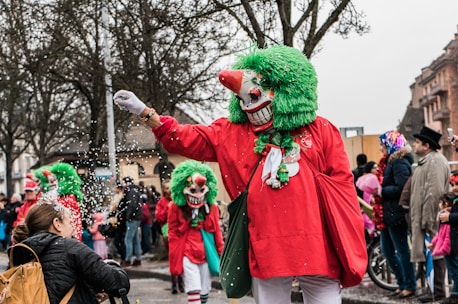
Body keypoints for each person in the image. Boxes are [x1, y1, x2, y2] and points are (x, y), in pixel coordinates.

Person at [114, 44, 367, 303]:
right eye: (243, 99)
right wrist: (146, 114)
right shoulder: (232, 132)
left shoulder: (320, 130)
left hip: (316, 246)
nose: (250, 105)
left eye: (255, 95)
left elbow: (341, 191)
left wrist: (347, 242)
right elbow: (189, 138)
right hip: (266, 246)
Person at [11, 201, 130, 303]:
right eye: (69, 222)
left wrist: (89, 291)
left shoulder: (23, 252)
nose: (72, 228)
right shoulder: (69, 247)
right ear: (57, 223)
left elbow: (54, 289)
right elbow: (118, 284)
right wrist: (112, 266)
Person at [168, 160, 225, 304]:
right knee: (194, 288)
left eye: (201, 190)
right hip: (187, 252)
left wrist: (221, 252)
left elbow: (217, 231)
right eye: (193, 190)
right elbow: (173, 232)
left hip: (205, 253)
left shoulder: (211, 208)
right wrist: (175, 255)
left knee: (205, 289)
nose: (198, 194)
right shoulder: (175, 208)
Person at [410, 126, 451, 303]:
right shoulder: (428, 161)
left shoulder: (435, 162)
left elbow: (433, 193)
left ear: (426, 146)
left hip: (432, 218)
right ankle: (432, 290)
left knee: (437, 252)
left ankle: (439, 291)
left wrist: (427, 219)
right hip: (426, 217)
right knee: (430, 253)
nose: (414, 145)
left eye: (417, 143)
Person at [376, 130, 416, 298]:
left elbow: (403, 188)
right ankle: (401, 283)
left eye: (382, 145)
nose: (380, 148)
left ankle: (409, 285)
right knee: (387, 250)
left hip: (396, 213)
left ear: (392, 145)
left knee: (402, 250)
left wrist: (381, 191)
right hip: (387, 213)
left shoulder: (399, 162)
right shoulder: (390, 162)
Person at [155, 178, 184, 294]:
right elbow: (159, 217)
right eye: (167, 188)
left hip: (180, 233)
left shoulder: (179, 200)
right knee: (173, 259)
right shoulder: (162, 202)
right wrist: (168, 208)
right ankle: (174, 284)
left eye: (170, 187)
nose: (169, 190)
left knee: (181, 259)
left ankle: (181, 283)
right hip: (169, 234)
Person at [438, 173, 458, 304]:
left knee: (456, 270)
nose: (454, 188)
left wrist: (449, 217)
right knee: (454, 270)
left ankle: (455, 295)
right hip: (453, 242)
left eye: (457, 184)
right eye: (453, 185)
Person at [119, 176, 142, 267]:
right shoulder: (134, 190)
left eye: (124, 182)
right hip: (136, 217)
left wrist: (128, 216)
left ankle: (128, 259)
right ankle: (138, 258)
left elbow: (131, 205)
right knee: (135, 239)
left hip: (133, 218)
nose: (122, 185)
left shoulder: (131, 191)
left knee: (128, 239)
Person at [428, 193, 453, 257]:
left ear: (446, 203)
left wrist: (444, 248)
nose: (439, 204)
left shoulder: (446, 218)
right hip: (444, 247)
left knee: (452, 265)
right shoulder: (443, 216)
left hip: (448, 249)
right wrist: (433, 243)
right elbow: (440, 233)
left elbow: (447, 236)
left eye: (440, 202)